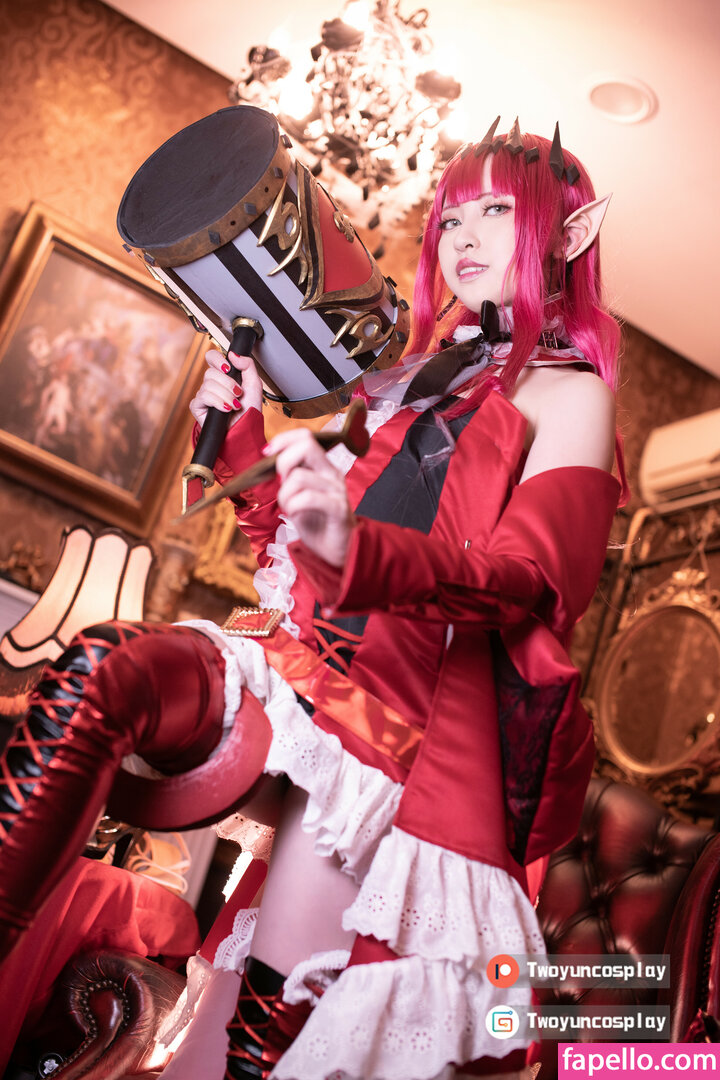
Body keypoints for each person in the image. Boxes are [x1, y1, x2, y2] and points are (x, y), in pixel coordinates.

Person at [0, 119, 624, 1080]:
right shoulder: (417, 382)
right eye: (453, 218)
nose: (463, 237)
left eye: (497, 212)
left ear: (570, 234)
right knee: (103, 672)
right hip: (301, 672)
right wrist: (242, 432)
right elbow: (292, 562)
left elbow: (532, 584)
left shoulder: (569, 393)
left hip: (400, 745)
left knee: (263, 1037)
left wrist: (356, 550)